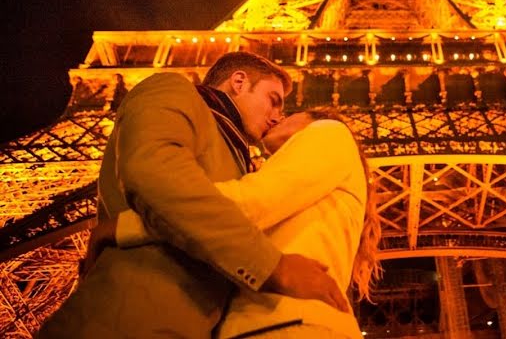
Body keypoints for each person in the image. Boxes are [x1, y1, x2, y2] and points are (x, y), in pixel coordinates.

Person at [39, 52, 347, 338]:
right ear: (238, 82)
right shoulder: (174, 90)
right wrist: (272, 266)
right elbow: (156, 173)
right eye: (273, 100)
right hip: (121, 321)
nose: (278, 116)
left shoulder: (244, 164)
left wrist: (123, 228)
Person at [90, 110, 381, 338]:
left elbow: (246, 205)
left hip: (282, 325)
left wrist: (127, 226)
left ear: (316, 118)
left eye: (289, 111)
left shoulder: (329, 131)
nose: (277, 116)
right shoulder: (315, 175)